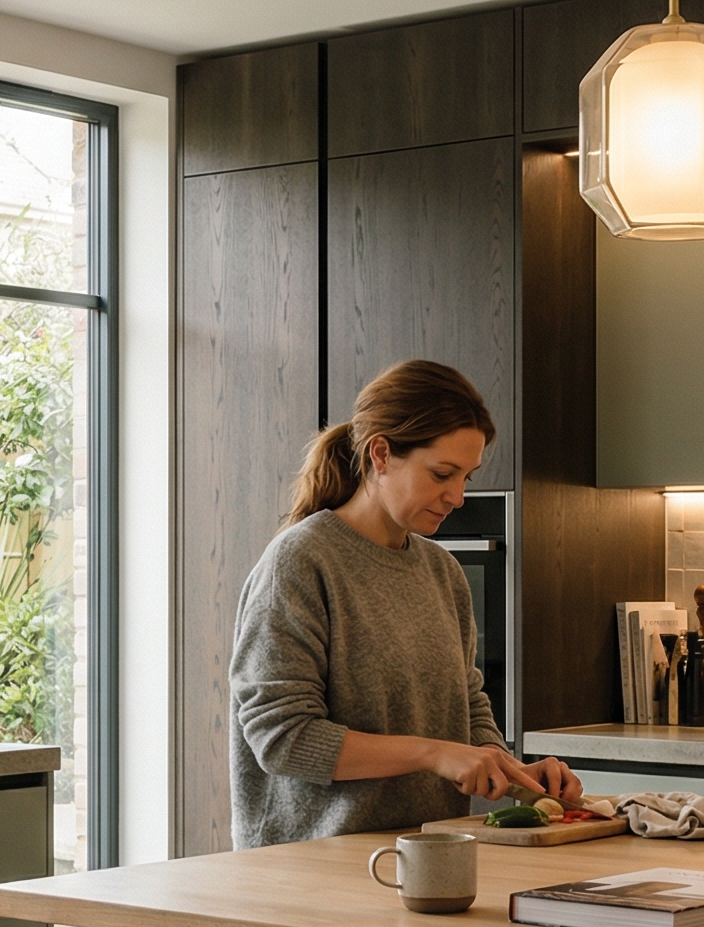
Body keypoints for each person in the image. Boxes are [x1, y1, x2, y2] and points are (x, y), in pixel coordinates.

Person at [228, 358, 583, 848]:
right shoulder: (300, 562)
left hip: (427, 857)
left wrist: (510, 769)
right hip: (310, 868)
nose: (457, 496)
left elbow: (467, 704)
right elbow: (282, 738)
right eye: (442, 474)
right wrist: (433, 754)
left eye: (467, 478)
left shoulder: (442, 572)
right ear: (380, 454)